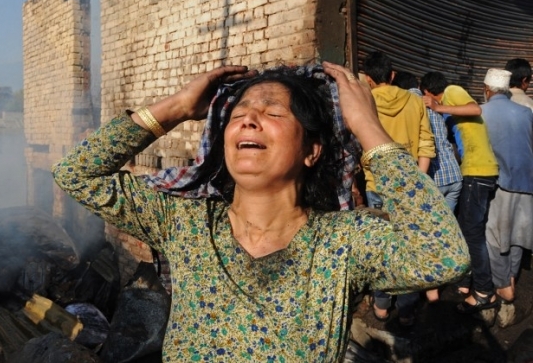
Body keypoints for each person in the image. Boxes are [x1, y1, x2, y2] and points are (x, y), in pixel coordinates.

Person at [52, 62, 469, 362]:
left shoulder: (343, 242)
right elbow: (76, 175)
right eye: (239, 114)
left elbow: (444, 257)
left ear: (311, 151)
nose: (250, 120)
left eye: (272, 113)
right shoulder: (186, 224)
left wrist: (369, 130)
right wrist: (177, 107)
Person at [362, 53, 436, 325]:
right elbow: (427, 144)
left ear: (369, 80)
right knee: (409, 245)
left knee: (382, 246)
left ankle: (382, 305)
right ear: (392, 75)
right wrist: (417, 181)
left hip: (377, 187)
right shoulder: (416, 102)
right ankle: (406, 309)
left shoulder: (366, 103)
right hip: (410, 186)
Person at [421, 71, 499, 313]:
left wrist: (438, 106)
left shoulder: (453, 91)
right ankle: (466, 284)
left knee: (472, 234)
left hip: (478, 171)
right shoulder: (450, 109)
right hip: (475, 172)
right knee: (468, 229)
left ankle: (485, 292)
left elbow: (476, 109)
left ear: (427, 92)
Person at [393, 71, 463, 304]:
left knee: (427, 237)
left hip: (435, 180)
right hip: (455, 176)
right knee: (445, 232)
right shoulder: (435, 106)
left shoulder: (409, 106)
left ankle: (432, 289)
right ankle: (450, 275)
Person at [481, 68, 533, 326]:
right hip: (526, 183)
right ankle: (511, 279)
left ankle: (502, 286)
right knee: (517, 236)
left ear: (487, 90)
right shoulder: (526, 112)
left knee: (494, 237)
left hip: (498, 185)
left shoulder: (482, 111)